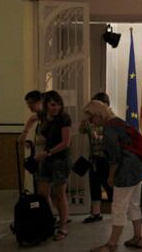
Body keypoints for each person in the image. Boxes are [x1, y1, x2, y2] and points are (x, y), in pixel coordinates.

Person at [84, 100, 142, 252]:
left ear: (98, 115)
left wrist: (111, 176)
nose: (90, 122)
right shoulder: (118, 121)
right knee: (134, 204)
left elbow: (115, 158)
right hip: (137, 167)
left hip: (125, 171)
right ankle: (138, 238)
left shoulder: (109, 129)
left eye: (90, 118)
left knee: (119, 207)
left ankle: (111, 245)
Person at [34, 90, 72, 241]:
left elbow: (65, 143)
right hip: (47, 159)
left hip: (60, 160)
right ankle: (50, 219)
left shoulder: (64, 118)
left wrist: (47, 152)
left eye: (58, 104)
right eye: (52, 104)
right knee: (43, 192)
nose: (56, 107)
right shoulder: (45, 117)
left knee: (59, 194)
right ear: (46, 105)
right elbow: (34, 119)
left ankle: (63, 226)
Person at [80, 92, 113, 223]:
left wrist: (97, 136)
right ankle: (96, 213)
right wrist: (84, 123)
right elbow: (81, 131)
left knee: (110, 186)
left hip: (107, 159)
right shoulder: (89, 120)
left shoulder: (110, 120)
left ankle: (116, 213)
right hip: (94, 158)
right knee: (94, 185)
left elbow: (109, 139)